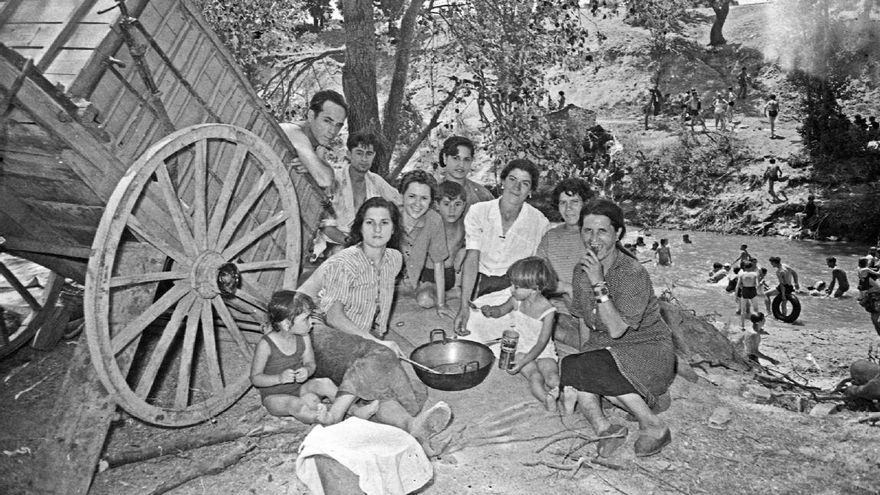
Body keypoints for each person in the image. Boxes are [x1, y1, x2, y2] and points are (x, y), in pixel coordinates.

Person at [305, 198, 454, 453]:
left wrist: (377, 337)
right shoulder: (345, 261)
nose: (377, 229)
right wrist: (376, 341)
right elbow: (334, 316)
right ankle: (336, 416)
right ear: (360, 227)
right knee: (382, 355)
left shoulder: (394, 259)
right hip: (321, 334)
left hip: (357, 339)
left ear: (394, 228)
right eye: (370, 223)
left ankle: (411, 426)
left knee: (415, 390)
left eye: (384, 223)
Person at [559, 198, 675, 458]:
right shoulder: (581, 270)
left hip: (648, 352)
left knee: (588, 368)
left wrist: (598, 283)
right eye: (587, 231)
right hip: (608, 350)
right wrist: (582, 361)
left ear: (618, 233)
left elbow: (616, 330)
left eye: (602, 231)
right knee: (572, 365)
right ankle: (605, 429)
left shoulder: (631, 272)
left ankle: (654, 426)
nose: (593, 239)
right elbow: (583, 320)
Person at [454, 159, 550, 336]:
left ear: (531, 191)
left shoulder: (539, 222)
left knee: (510, 336)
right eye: (512, 179)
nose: (516, 187)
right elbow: (472, 258)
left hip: (514, 290)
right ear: (503, 181)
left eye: (525, 183)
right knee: (470, 330)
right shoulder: (478, 211)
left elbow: (534, 271)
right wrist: (463, 306)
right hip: (478, 283)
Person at [250, 291, 378, 424]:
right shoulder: (266, 345)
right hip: (274, 397)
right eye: (306, 319)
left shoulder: (304, 336)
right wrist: (279, 378)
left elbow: (310, 363)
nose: (311, 322)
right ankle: (321, 419)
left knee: (325, 383)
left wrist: (307, 370)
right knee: (295, 404)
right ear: (286, 324)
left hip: (300, 388)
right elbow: (256, 379)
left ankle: (355, 410)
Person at [473, 257, 561, 411]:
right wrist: (491, 311)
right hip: (520, 348)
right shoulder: (516, 300)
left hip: (542, 350)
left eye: (517, 286)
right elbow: (501, 310)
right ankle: (546, 399)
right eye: (512, 284)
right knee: (534, 376)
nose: (511, 289)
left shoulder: (548, 311)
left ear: (535, 288)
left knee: (552, 377)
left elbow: (541, 343)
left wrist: (524, 361)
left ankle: (565, 395)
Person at [314, 132, 401, 257]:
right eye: (359, 153)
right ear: (349, 154)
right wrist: (351, 243)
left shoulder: (376, 181)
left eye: (369, 154)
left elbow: (400, 204)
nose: (364, 159)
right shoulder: (334, 181)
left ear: (374, 156)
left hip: (368, 245)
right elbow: (325, 226)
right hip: (335, 245)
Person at [535, 178, 593, 355]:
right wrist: (564, 288)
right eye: (563, 203)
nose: (568, 209)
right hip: (559, 312)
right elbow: (536, 278)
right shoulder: (550, 237)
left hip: (592, 311)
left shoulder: (597, 235)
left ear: (586, 204)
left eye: (574, 202)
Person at [396, 170, 453, 317]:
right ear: (402, 195)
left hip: (412, 282)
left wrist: (441, 304)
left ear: (431, 201)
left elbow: (438, 263)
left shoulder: (434, 220)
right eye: (412, 196)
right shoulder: (389, 216)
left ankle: (446, 292)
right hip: (385, 280)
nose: (417, 204)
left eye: (424, 198)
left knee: (426, 300)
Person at [280, 89, 347, 190]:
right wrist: (315, 167)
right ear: (311, 116)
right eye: (327, 121)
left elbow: (331, 181)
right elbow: (325, 180)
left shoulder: (316, 144)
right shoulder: (294, 132)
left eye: (338, 125)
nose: (333, 131)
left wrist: (312, 165)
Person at [437, 136, 494, 208]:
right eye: (456, 158)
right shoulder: (431, 193)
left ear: (471, 161)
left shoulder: (482, 196)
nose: (461, 164)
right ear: (445, 158)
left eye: (466, 159)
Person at [434, 181, 468, 288]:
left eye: (457, 204)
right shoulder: (430, 224)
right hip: (430, 273)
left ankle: (456, 288)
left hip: (453, 273)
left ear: (464, 206)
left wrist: (463, 251)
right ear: (437, 205)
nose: (452, 210)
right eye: (446, 204)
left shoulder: (465, 224)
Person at [735, 260, 760, 330]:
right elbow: (757, 285)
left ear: (744, 267)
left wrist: (736, 296)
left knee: (743, 310)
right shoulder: (755, 274)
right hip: (752, 290)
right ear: (751, 267)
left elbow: (737, 286)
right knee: (755, 309)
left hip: (745, 290)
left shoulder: (741, 274)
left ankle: (742, 326)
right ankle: (755, 324)